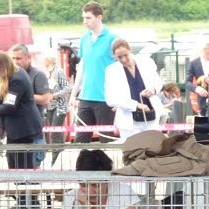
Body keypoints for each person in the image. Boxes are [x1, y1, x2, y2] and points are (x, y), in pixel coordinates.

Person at [69, 2, 117, 143]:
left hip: (105, 98)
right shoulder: (84, 38)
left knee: (106, 140)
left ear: (99, 17)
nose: (85, 21)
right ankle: (83, 166)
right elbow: (82, 68)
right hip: (86, 97)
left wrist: (118, 96)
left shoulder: (112, 39)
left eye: (88, 18)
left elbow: (120, 70)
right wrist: (73, 95)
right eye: (83, 18)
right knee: (80, 140)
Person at [0, 50, 43, 169]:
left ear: (3, 67)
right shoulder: (15, 73)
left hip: (23, 130)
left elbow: (9, 107)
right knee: (14, 165)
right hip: (16, 130)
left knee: (21, 168)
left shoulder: (17, 79)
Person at [104, 38, 164, 140]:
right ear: (114, 56)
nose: (123, 60)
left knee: (152, 150)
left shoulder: (147, 62)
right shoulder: (111, 71)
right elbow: (110, 99)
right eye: (119, 57)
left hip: (151, 118)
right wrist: (136, 105)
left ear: (130, 50)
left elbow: (158, 82)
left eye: (125, 55)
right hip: (128, 122)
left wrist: (153, 89)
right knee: (132, 152)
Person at [10, 43, 50, 165]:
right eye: (13, 58)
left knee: (32, 167)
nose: (15, 61)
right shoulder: (11, 75)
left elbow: (45, 98)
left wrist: (24, 95)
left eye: (18, 58)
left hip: (33, 128)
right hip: (16, 129)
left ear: (28, 58)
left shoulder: (38, 75)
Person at [185, 40, 209, 117]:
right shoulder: (194, 63)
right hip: (202, 102)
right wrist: (197, 89)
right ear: (204, 50)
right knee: (203, 125)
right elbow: (187, 83)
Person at [43, 53, 70, 164]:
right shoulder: (46, 72)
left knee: (55, 131)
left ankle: (56, 157)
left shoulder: (59, 71)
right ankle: (57, 156)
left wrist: (55, 95)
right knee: (55, 132)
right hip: (49, 106)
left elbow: (66, 88)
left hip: (59, 106)